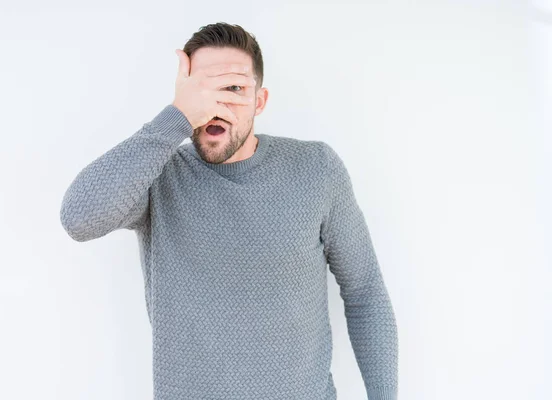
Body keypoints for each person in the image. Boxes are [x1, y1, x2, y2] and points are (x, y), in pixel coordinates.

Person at [60, 22, 398, 400]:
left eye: (234, 89)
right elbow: (79, 218)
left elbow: (364, 291)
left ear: (260, 100)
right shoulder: (158, 176)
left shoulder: (316, 169)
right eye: (203, 89)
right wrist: (175, 118)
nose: (216, 105)